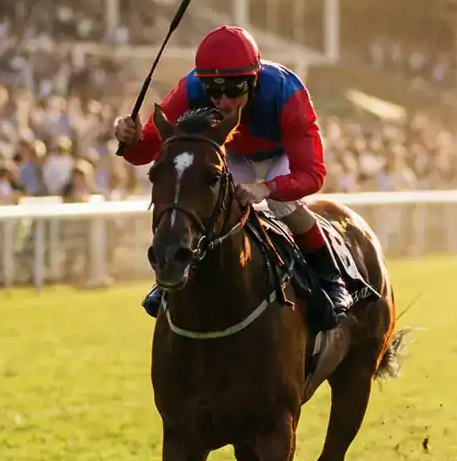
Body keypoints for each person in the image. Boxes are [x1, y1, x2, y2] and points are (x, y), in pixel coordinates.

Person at [114, 25, 352, 323]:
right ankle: (176, 274)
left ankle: (330, 280)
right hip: (233, 154)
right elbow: (143, 153)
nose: (223, 101)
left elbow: (313, 175)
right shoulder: (190, 90)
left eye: (234, 89)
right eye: (213, 90)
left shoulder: (286, 93)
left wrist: (267, 188)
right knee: (206, 197)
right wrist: (130, 137)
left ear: (253, 80)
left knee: (283, 205)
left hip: (281, 156)